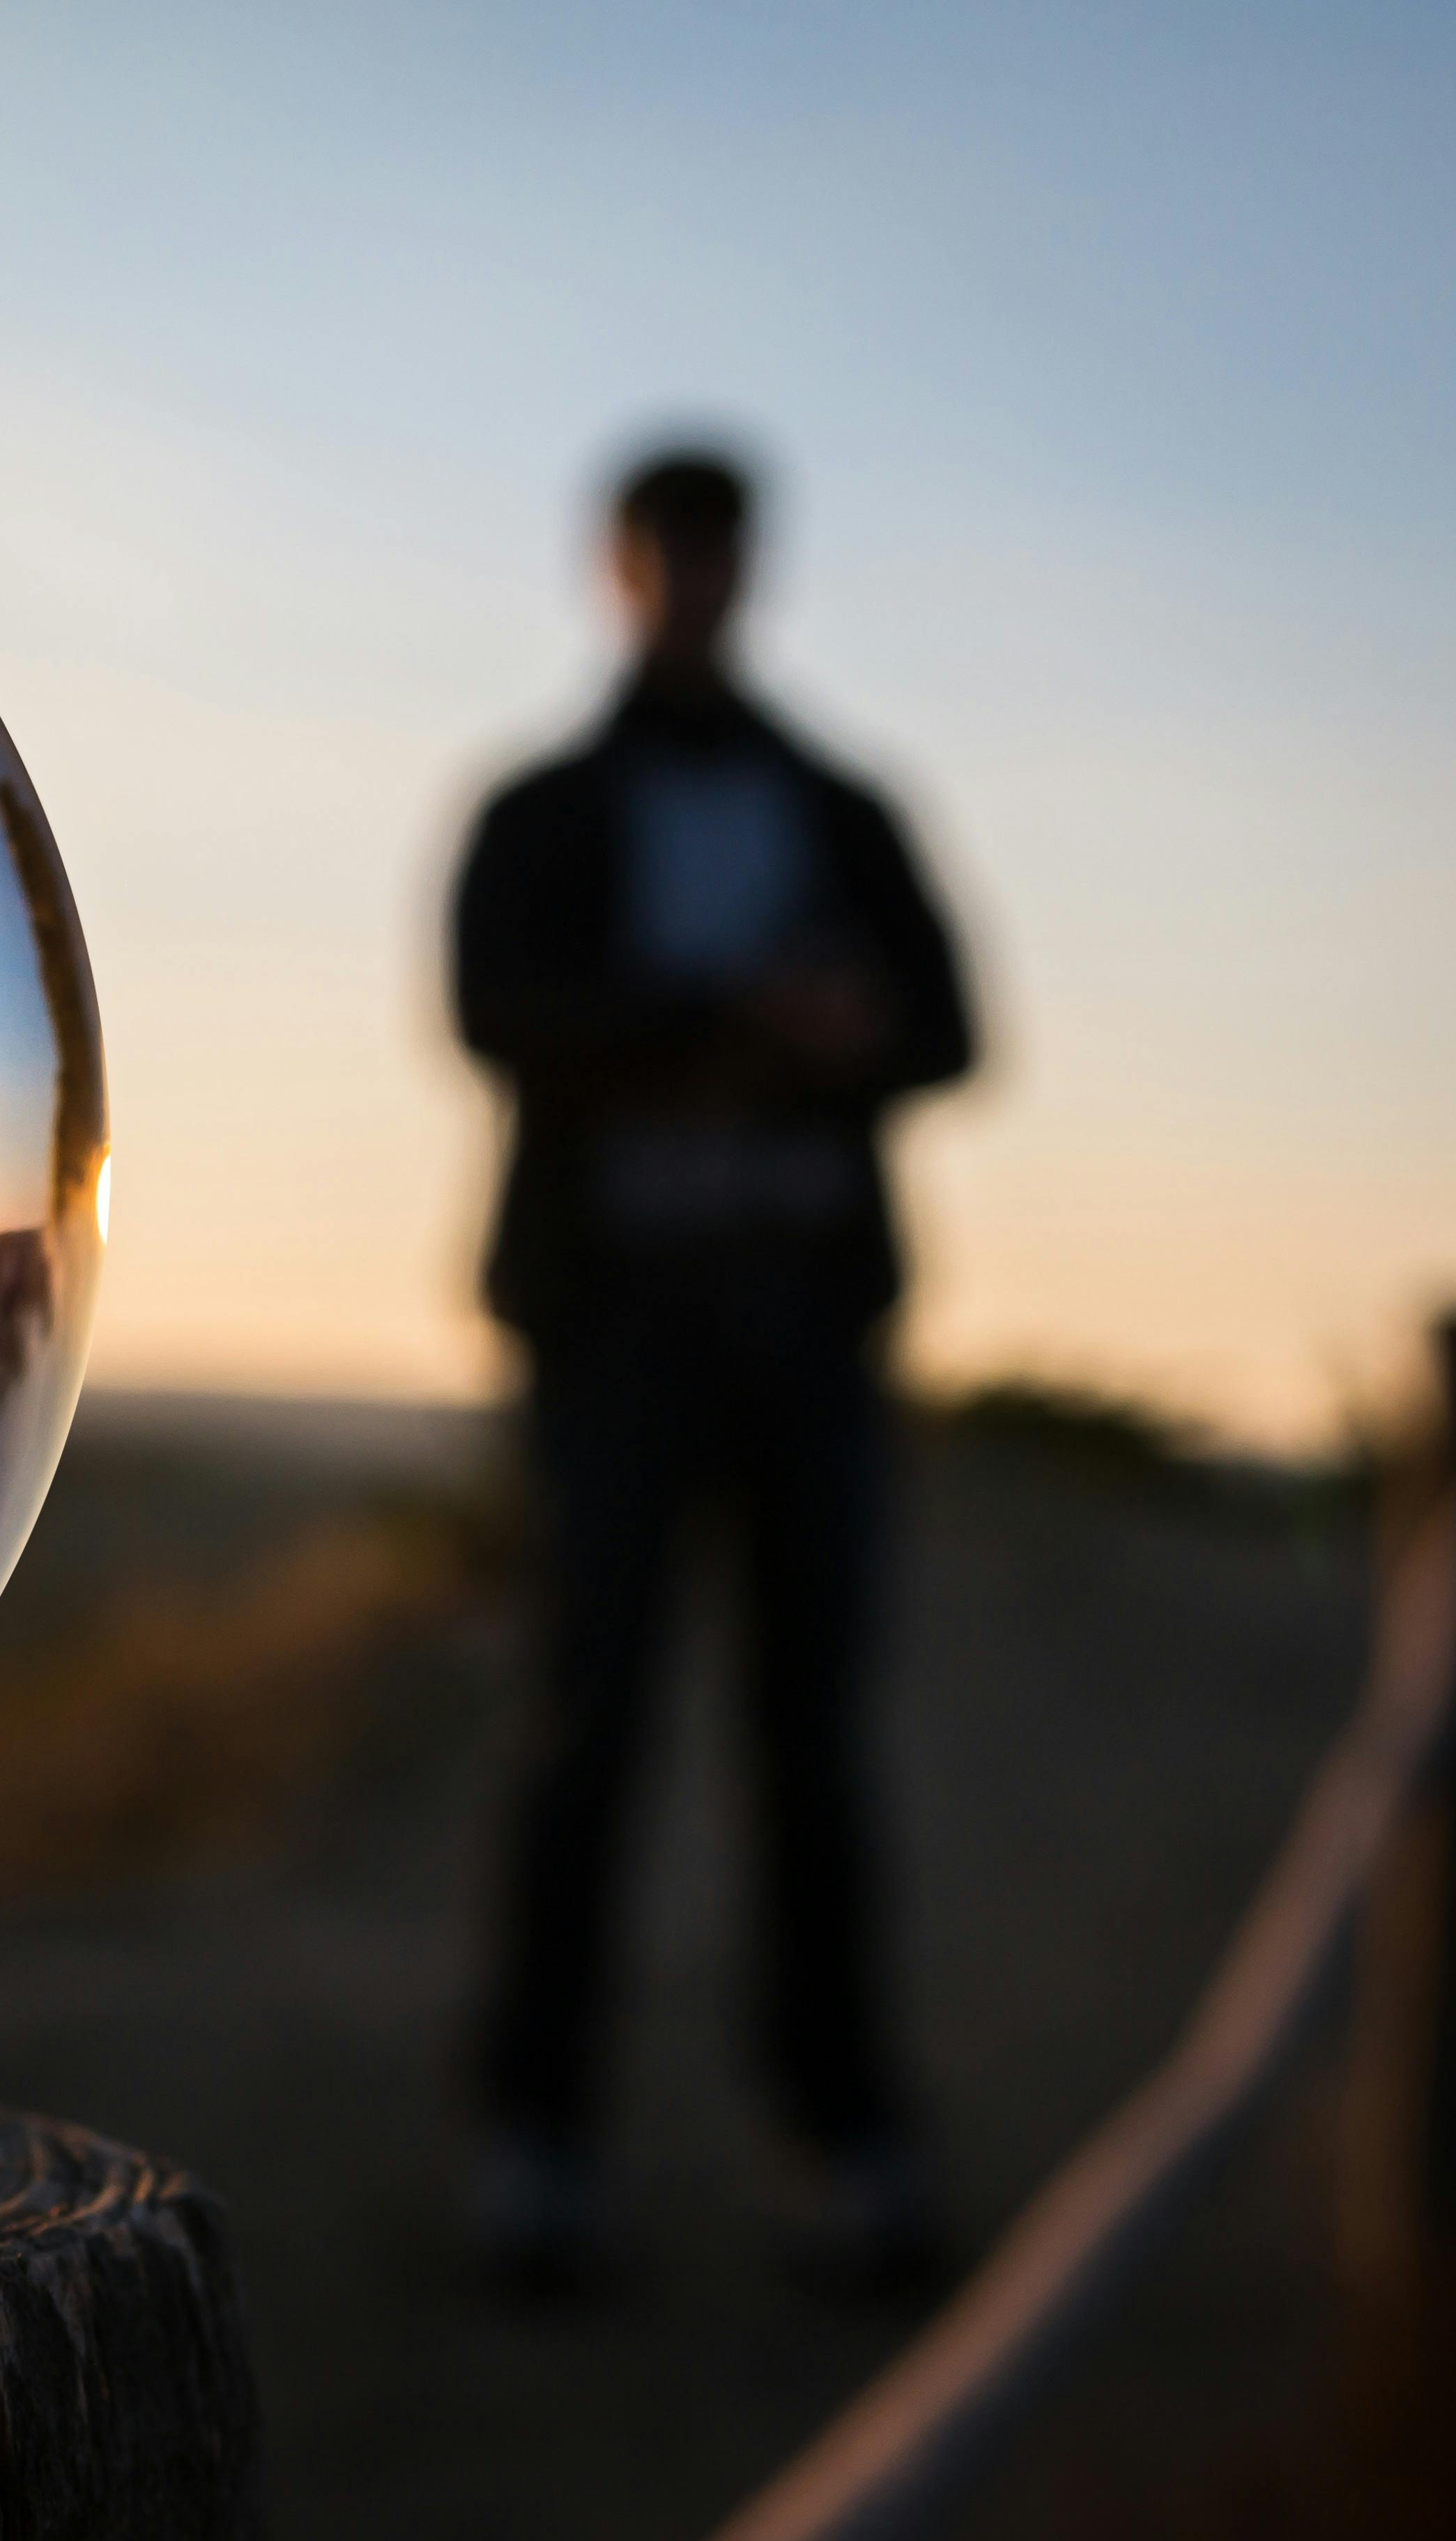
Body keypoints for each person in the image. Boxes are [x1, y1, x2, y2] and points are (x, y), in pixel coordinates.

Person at [449, 446, 976, 2296]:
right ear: (621, 569)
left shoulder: (843, 805)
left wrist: (829, 1035)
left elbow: (954, 1030)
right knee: (584, 1727)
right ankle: (539, 2149)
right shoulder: (544, 805)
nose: (693, 583)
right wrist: (734, 1018)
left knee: (813, 1740)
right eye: (667, 555)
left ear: (752, 569)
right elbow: (490, 1011)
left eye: (717, 554)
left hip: (808, 1326)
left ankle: (842, 2140)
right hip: (615, 1327)